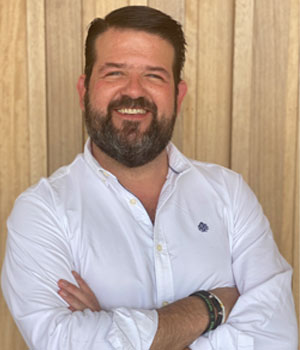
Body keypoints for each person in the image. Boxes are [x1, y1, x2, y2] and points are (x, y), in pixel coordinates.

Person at [1, 5, 298, 350]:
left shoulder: (230, 194)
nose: (134, 91)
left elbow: (276, 338)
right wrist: (210, 306)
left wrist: (110, 326)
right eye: (114, 73)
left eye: (154, 76)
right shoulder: (41, 212)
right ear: (83, 92)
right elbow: (61, 341)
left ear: (178, 95)